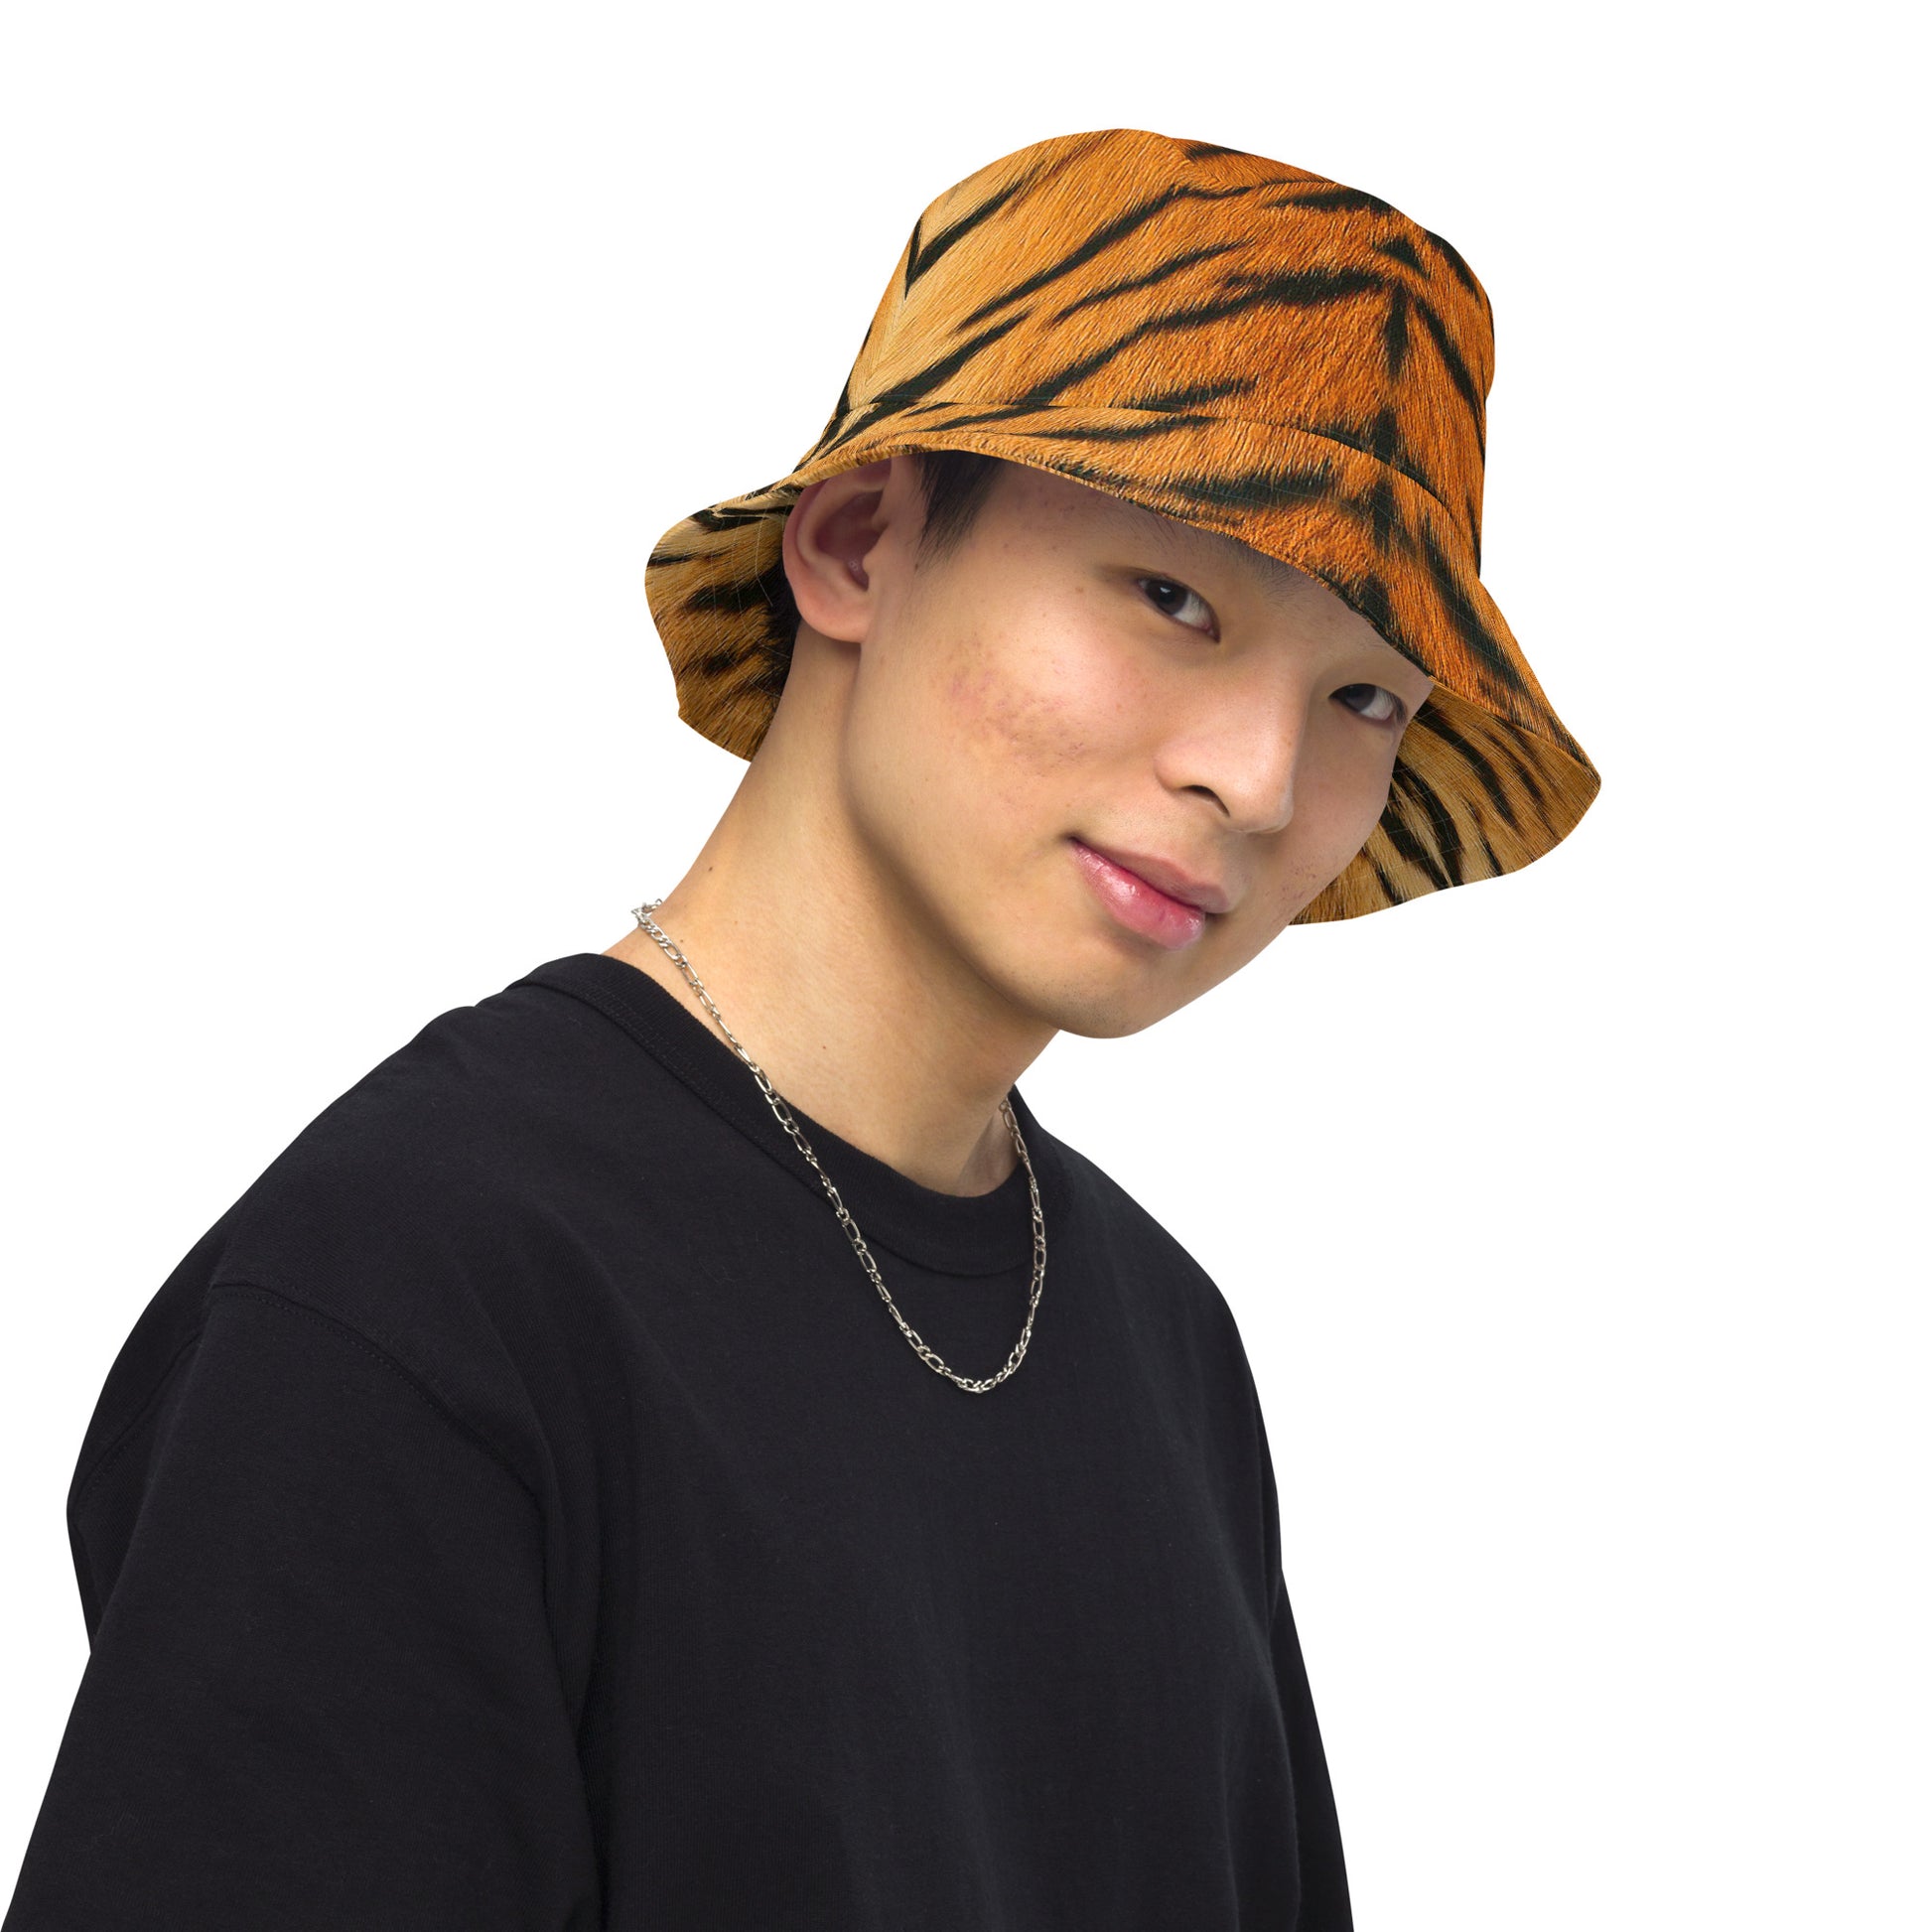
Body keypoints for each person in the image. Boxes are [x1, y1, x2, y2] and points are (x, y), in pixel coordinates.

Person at [2, 127, 1599, 1930]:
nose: (1259, 776)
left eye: (1363, 697)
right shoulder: (421, 1287)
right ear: (856, 545)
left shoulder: (1164, 1343)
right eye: (1173, 599)